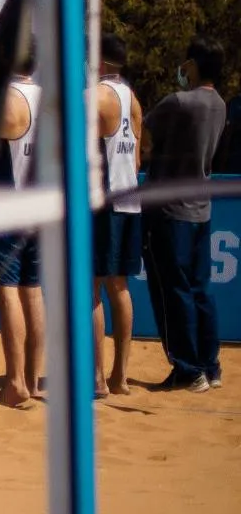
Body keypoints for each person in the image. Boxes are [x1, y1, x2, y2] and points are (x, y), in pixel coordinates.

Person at [142, 37, 226, 392]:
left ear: (192, 65)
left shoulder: (177, 102)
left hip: (170, 208)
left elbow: (144, 140)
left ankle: (188, 368)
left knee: (173, 291)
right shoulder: (220, 104)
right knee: (199, 289)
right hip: (200, 206)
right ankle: (210, 364)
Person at [0, 49, 43, 408]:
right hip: (38, 205)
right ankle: (31, 377)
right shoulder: (49, 97)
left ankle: (16, 382)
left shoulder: (5, 100)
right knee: (32, 292)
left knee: (6, 294)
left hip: (7, 206)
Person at [92, 33, 142, 397]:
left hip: (103, 202)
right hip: (130, 198)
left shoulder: (97, 97)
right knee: (120, 286)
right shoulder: (133, 99)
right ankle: (120, 377)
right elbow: (137, 158)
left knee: (92, 287)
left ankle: (97, 379)